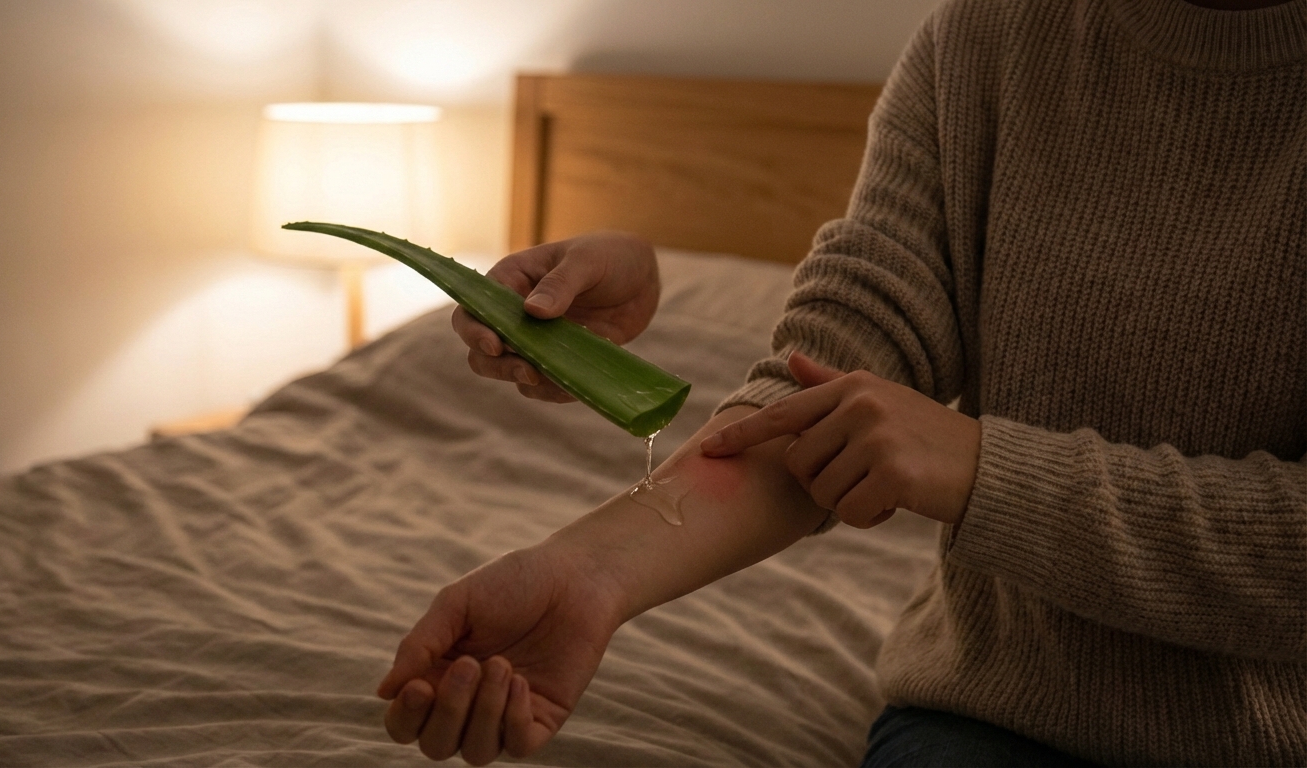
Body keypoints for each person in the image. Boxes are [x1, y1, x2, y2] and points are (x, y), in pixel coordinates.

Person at [377, 0, 1307, 764]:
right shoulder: (985, 39)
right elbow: (821, 387)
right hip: (995, 721)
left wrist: (986, 470)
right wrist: (583, 575)